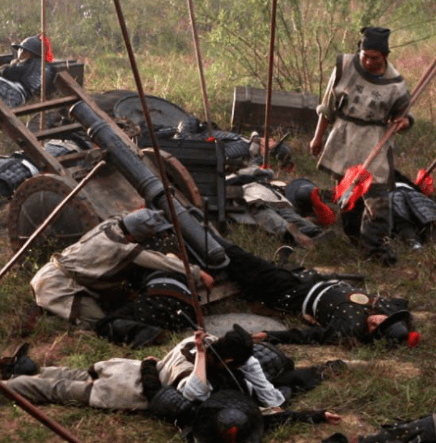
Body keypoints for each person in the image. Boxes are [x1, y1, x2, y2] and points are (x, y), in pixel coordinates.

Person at [30, 208, 214, 346]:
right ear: (134, 236)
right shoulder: (120, 248)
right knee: (101, 325)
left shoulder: (112, 224)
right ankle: (51, 318)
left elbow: (125, 215)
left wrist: (144, 214)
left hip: (58, 275)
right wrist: (198, 272)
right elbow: (161, 262)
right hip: (56, 285)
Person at [309, 27, 414, 265]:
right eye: (364, 55)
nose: (367, 61)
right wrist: (318, 138)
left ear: (385, 56)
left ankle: (374, 247)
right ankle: (355, 239)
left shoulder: (395, 84)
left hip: (374, 140)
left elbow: (405, 116)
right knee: (348, 196)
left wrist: (404, 121)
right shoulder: (345, 66)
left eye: (373, 57)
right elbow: (328, 106)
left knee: (378, 199)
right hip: (343, 138)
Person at [214, 236, 420, 347]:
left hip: (290, 292)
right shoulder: (391, 307)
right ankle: (283, 263)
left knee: (243, 261)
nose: (375, 322)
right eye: (382, 321)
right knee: (268, 267)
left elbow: (309, 336)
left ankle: (208, 241)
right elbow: (405, 305)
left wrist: (270, 335)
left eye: (376, 329)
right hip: (313, 279)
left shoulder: (348, 329)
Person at [0, 34, 56, 108]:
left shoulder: (30, 63)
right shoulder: (43, 65)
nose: (21, 52)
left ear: (33, 54)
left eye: (25, 50)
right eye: (20, 49)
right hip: (24, 96)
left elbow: (5, 72)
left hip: (16, 95)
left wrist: (12, 65)